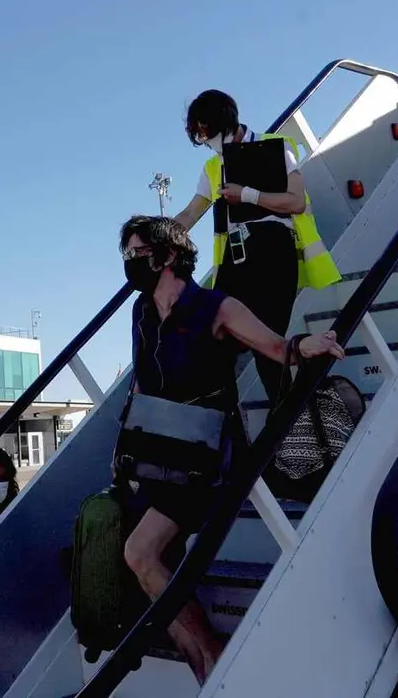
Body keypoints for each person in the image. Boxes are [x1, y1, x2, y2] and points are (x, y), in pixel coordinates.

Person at [117, 215, 343, 683]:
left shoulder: (217, 307)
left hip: (205, 456)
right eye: (126, 255)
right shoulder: (141, 313)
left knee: (140, 553)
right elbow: (141, 381)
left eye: (139, 253)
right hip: (157, 451)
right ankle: (204, 666)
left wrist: (308, 344)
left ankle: (215, 654)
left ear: (170, 255)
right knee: (144, 565)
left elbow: (277, 348)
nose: (131, 262)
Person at [173, 89, 340, 404]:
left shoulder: (276, 148)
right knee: (213, 339)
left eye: (205, 131)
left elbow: (296, 203)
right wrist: (156, 236)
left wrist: (248, 194)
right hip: (237, 260)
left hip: (274, 250)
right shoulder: (212, 167)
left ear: (223, 121)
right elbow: (191, 212)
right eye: (199, 134)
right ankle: (232, 430)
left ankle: (292, 428)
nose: (204, 139)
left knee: (268, 348)